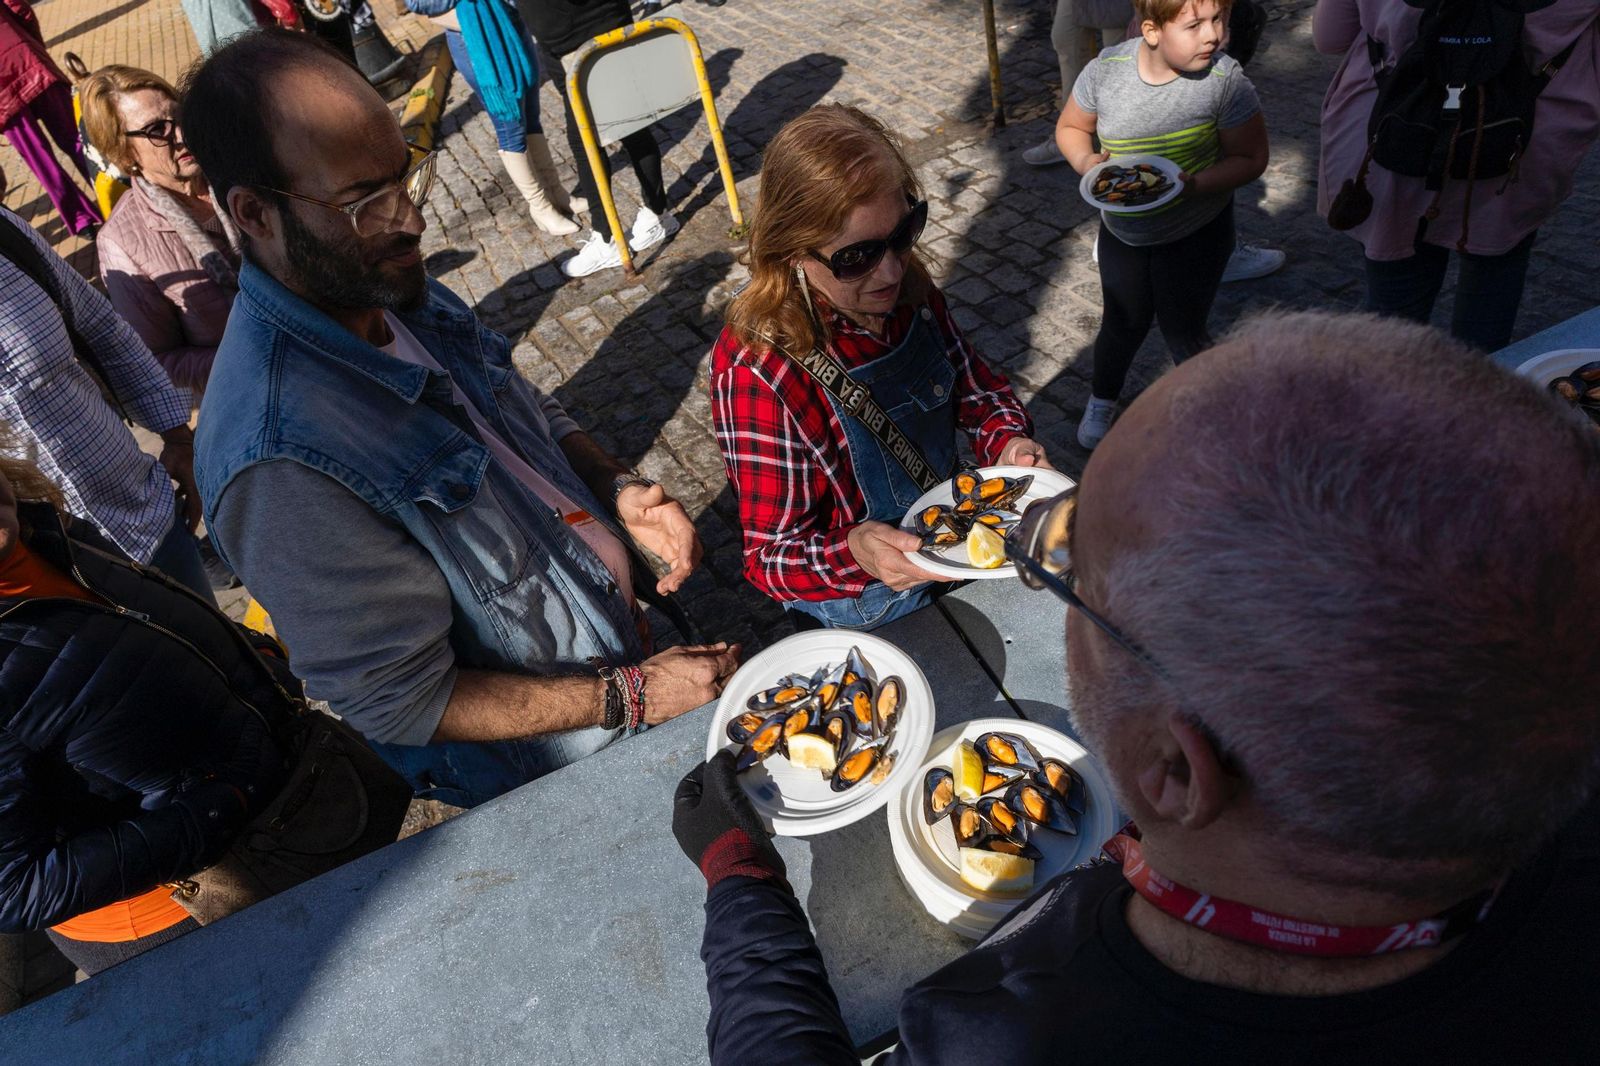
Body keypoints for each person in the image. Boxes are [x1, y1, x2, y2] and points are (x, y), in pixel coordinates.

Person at [672, 310, 1600, 1063]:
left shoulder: (998, 1034)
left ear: (1175, 770)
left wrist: (740, 874)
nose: (1049, 576)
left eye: (1076, 576)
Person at [180, 29, 739, 809]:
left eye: (405, 175)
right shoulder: (276, 459)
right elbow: (402, 701)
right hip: (565, 775)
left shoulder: (382, 282)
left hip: (620, 658)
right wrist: (631, 697)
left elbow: (518, 405)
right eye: (363, 201)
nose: (410, 220)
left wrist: (612, 487)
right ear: (254, 213)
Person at [710, 105, 1047, 631]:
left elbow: (980, 393)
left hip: (959, 548)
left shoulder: (909, 289)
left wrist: (1009, 444)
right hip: (871, 608)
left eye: (904, 232)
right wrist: (856, 551)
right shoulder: (757, 368)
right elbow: (770, 558)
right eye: (856, 257)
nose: (890, 271)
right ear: (792, 251)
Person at [0, 439, 295, 977]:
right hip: (191, 914)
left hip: (287, 814)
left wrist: (257, 657)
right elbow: (15, 888)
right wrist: (216, 810)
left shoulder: (44, 530)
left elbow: (142, 623)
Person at [1315, 0, 1600, 352]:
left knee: (1395, 299)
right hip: (1521, 141)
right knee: (1493, 283)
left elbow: (1331, 37)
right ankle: (1476, 379)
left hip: (1394, 129)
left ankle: (1389, 382)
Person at [1055, 0, 1268, 450]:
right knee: (1122, 323)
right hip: (1124, 235)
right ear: (1151, 30)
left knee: (1184, 329)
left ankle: (1211, 413)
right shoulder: (1106, 71)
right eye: (1194, 25)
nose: (1213, 35)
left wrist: (1198, 185)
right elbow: (1071, 127)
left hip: (1198, 233)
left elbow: (1251, 157)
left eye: (1218, 19)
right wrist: (1085, 161)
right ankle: (1102, 399)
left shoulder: (1226, 82)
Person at [0, 203, 213, 602]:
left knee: (220, 641)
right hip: (46, 585)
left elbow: (102, 328)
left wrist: (178, 438)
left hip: (148, 522)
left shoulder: (5, 233)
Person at [81, 66, 241, 395]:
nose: (181, 135)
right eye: (157, 130)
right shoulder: (122, 243)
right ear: (124, 153)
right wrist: (257, 360)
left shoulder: (238, 166)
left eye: (180, 116)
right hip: (258, 391)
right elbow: (160, 360)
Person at [514, 0, 679, 277]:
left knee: (592, 140)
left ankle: (608, 238)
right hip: (597, 27)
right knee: (632, 126)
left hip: (574, 38)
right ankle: (656, 213)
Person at [405, 0, 582, 235]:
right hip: (476, 38)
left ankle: (556, 193)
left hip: (512, 23)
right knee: (510, 125)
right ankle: (540, 207)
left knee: (531, 114)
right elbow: (417, 3)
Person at [0, 0, 100, 237]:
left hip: (2, 94)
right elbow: (20, 9)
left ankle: (81, 219)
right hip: (26, 58)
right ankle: (113, 191)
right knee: (77, 137)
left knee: (40, 159)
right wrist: (33, 46)